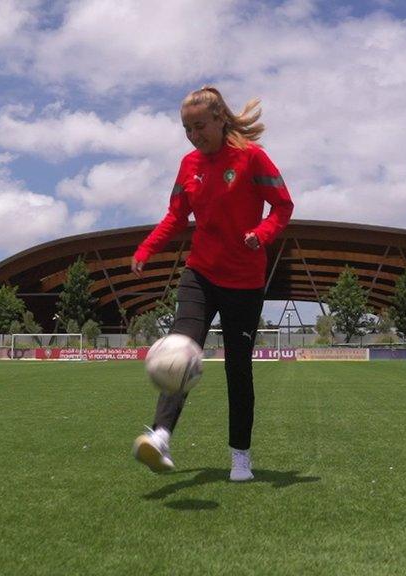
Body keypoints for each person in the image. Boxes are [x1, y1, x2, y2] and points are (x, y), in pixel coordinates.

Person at [131, 86, 294, 481]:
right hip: (200, 273)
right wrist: (145, 249)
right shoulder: (188, 165)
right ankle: (161, 436)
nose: (193, 135)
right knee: (180, 348)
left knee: (238, 369)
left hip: (244, 281)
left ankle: (240, 456)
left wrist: (263, 232)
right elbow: (175, 216)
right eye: (186, 129)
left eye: (199, 126)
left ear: (220, 118)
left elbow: (283, 205)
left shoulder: (251, 158)